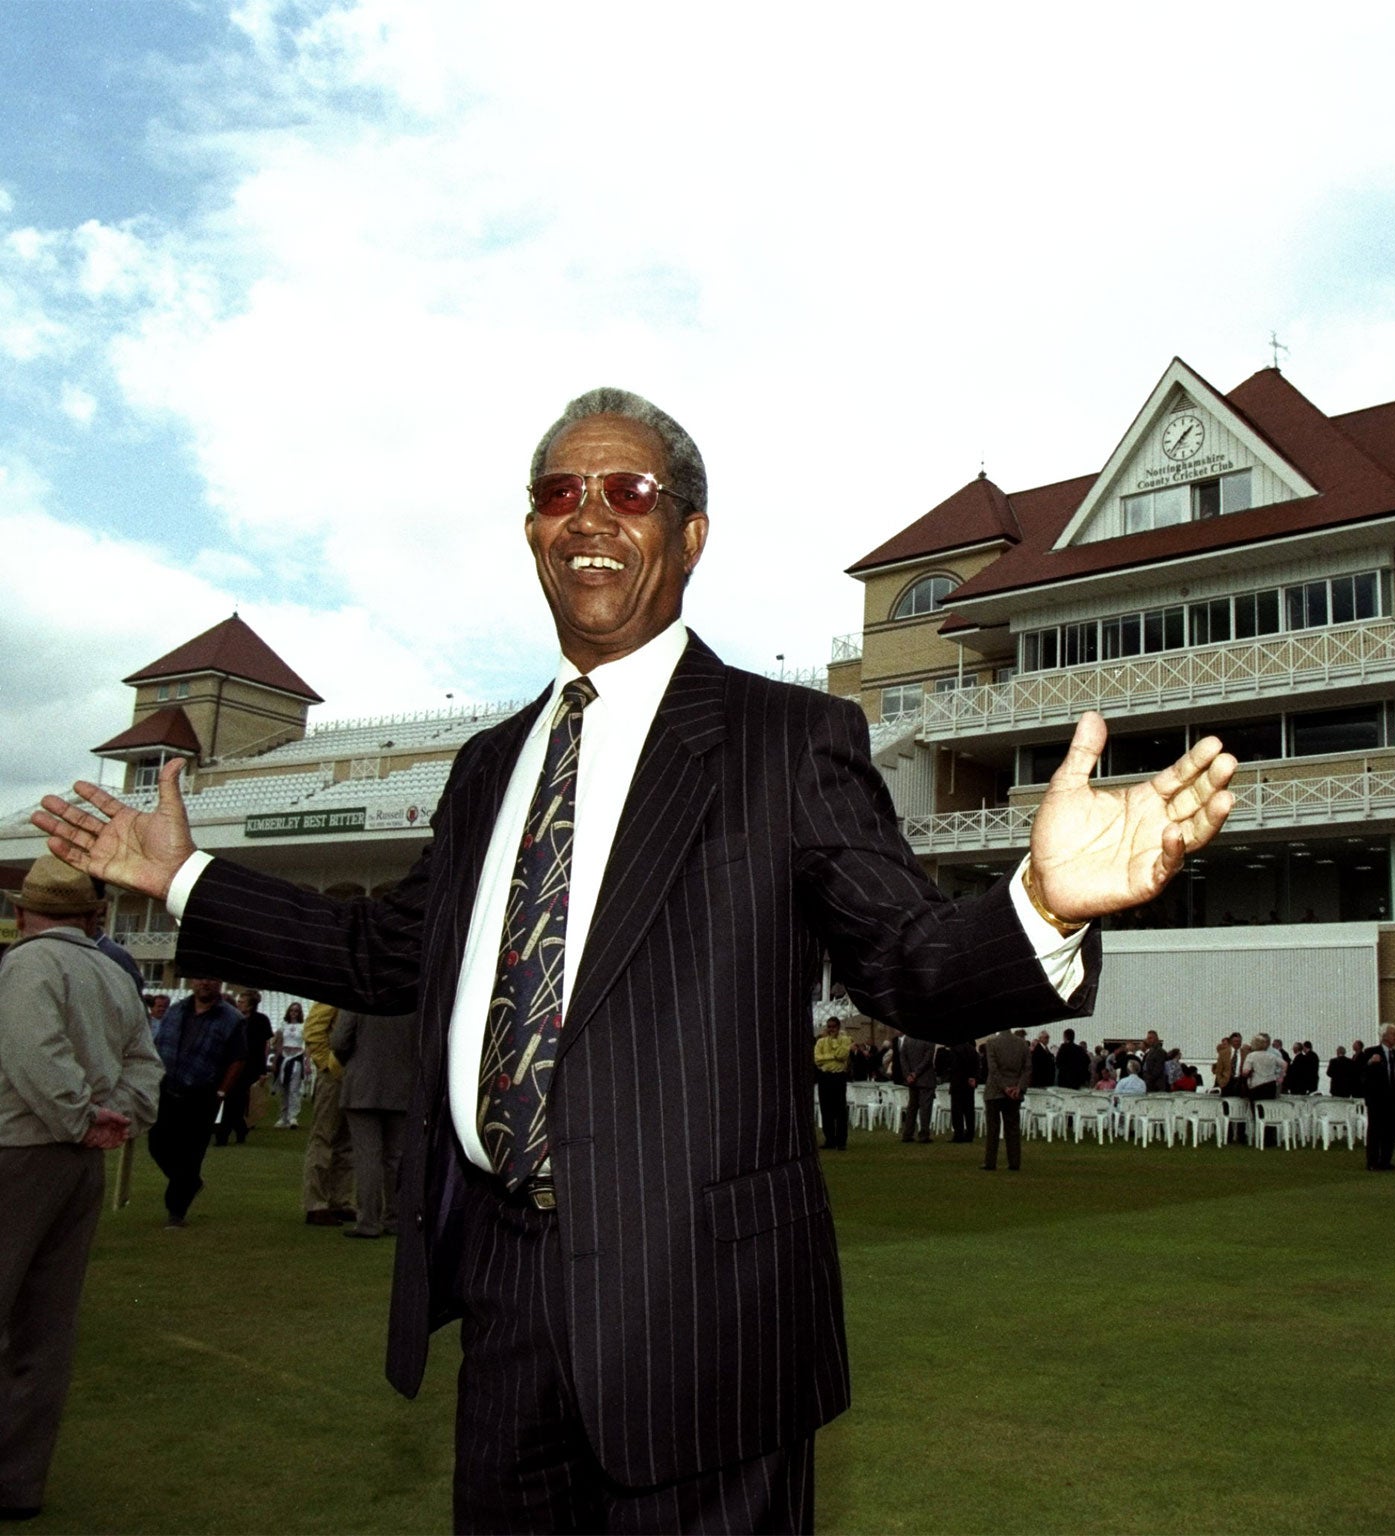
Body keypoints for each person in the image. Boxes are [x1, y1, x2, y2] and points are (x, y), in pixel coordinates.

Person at [33, 386, 1238, 1532]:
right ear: (532, 533)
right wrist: (180, 880)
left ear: (690, 532)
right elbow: (386, 950)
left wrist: (1042, 903)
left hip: (702, 1313)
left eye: (629, 489)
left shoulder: (786, 741)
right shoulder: (487, 768)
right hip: (502, 1292)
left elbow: (905, 961)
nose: (591, 514)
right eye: (560, 493)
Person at [0, 855, 162, 1522]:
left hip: (18, 1152)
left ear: (21, 912)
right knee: (46, 1327)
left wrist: (79, 1115)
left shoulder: (28, 965)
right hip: (78, 1161)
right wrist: (110, 1116)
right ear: (92, 916)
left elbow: (35, 1051)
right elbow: (144, 1064)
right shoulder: (112, 971)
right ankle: (17, 1481)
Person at [147, 976, 245, 1227]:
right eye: (201, 979)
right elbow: (158, 1046)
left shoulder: (231, 1019)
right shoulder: (176, 1011)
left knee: (191, 1153)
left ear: (220, 983)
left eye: (212, 979)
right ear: (192, 982)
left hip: (203, 1094)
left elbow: (237, 1059)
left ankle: (176, 1212)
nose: (206, 984)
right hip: (168, 1089)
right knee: (157, 1143)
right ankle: (190, 1183)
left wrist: (221, 1093)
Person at [332, 1009, 418, 1238]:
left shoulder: (358, 999)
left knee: (367, 1157)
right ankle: (395, 1217)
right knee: (396, 1159)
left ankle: (369, 1221)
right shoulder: (413, 1000)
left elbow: (339, 1040)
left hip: (362, 1086)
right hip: (401, 1088)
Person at [299, 1002, 355, 1226]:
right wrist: (326, 1064)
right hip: (333, 1077)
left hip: (354, 1077)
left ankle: (340, 1200)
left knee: (347, 1142)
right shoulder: (336, 994)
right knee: (323, 1138)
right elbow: (313, 1029)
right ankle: (316, 1204)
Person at [217, 988, 273, 1146]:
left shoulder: (261, 1021)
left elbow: (263, 1046)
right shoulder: (233, 1018)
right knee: (233, 1100)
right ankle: (240, 1128)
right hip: (232, 1063)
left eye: (242, 1002)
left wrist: (262, 1070)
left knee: (234, 1099)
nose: (238, 1004)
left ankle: (224, 1135)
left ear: (250, 1006)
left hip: (250, 1067)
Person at [982, 1029, 1031, 1172]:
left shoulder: (991, 1043)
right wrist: (1018, 1087)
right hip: (1014, 1092)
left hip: (994, 1091)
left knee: (993, 1128)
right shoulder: (1022, 1044)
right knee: (1013, 1128)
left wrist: (1004, 1088)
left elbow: (993, 1069)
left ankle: (990, 1162)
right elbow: (1027, 1069)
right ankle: (1014, 1162)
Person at [1357, 1025, 1395, 1171]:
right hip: (1377, 1099)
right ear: (1384, 1036)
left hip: (1393, 1099)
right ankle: (1372, 1161)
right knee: (1376, 1130)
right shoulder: (1371, 1053)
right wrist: (1371, 1063)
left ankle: (1386, 1160)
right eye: (1393, 1034)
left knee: (1390, 1131)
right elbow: (1360, 1073)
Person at [814, 1017, 851, 1150]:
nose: (831, 1029)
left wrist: (834, 1043)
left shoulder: (845, 1040)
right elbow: (817, 1059)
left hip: (838, 1077)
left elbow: (842, 1056)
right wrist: (832, 1057)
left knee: (840, 1110)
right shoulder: (820, 1042)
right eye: (829, 1026)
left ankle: (841, 1141)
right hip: (825, 1077)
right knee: (826, 1109)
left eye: (833, 1026)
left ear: (838, 1027)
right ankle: (829, 1139)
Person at [271, 1001, 307, 1129]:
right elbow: (279, 1045)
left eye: (296, 1011)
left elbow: (306, 1046)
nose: (294, 1013)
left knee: (294, 1089)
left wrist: (307, 1063)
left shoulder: (303, 1027)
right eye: (292, 1010)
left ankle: (293, 1117)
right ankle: (283, 1117)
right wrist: (275, 1061)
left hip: (296, 1059)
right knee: (284, 1088)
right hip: (284, 1058)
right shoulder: (283, 1026)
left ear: (300, 1013)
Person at [898, 1035, 939, 1144]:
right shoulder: (929, 1038)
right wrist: (915, 1073)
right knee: (925, 1108)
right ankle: (923, 1134)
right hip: (925, 1078)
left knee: (912, 1107)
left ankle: (907, 1133)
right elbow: (928, 1059)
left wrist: (908, 1074)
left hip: (912, 1080)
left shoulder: (908, 1038)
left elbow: (903, 1056)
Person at [944, 1031, 978, 1144]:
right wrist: (972, 1077)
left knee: (957, 1110)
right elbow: (977, 1067)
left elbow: (953, 1067)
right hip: (969, 1084)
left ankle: (959, 1134)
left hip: (958, 1084)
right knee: (969, 1110)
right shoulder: (973, 1050)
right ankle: (970, 1134)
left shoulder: (954, 1050)